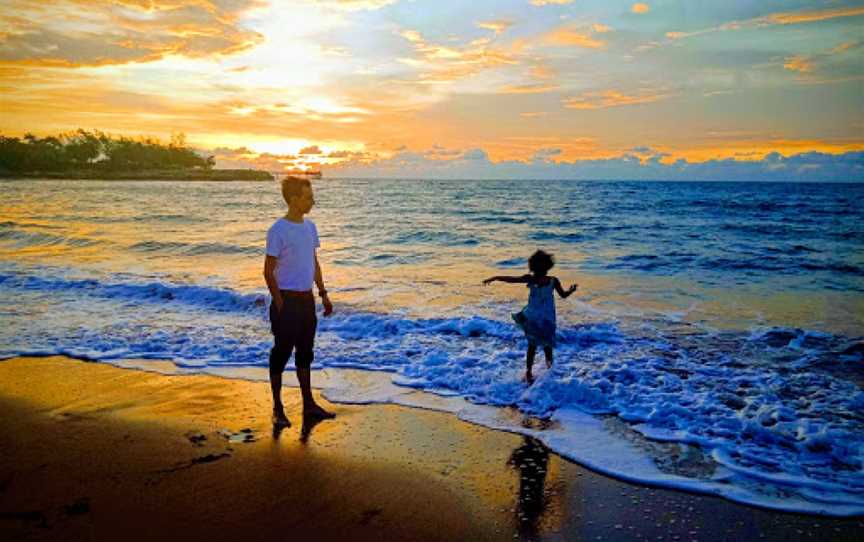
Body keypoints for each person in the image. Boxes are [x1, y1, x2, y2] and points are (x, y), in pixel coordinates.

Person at [264, 176, 335, 426]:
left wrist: (323, 293)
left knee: (306, 353)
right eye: (308, 197)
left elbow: (313, 262)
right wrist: (279, 302)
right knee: (281, 353)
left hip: (307, 300)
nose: (312, 201)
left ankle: (309, 405)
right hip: (287, 300)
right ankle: (277, 408)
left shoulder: (310, 227)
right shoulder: (278, 230)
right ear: (294, 200)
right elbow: (268, 270)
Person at [483, 250, 577, 384]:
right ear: (548, 266)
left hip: (532, 317)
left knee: (532, 346)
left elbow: (512, 279)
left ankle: (528, 372)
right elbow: (563, 295)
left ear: (532, 266)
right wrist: (571, 290)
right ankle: (550, 372)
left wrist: (495, 277)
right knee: (547, 346)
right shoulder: (553, 280)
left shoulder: (531, 279)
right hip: (547, 319)